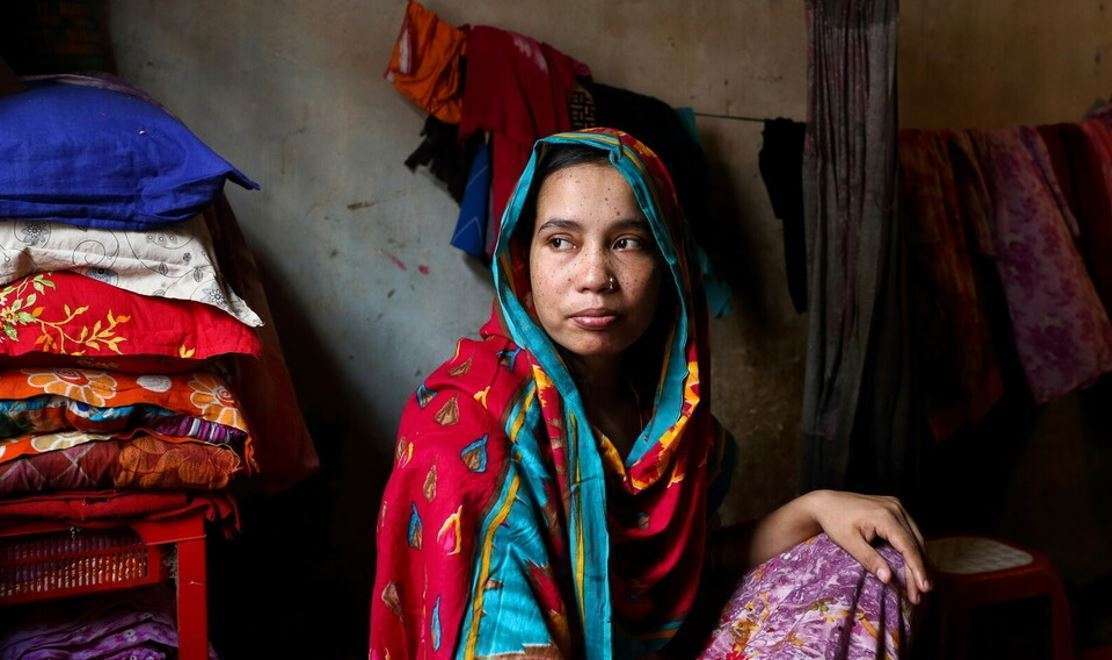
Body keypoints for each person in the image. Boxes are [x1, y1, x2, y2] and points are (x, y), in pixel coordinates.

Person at [370, 128, 928, 659]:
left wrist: (816, 507)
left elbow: (690, 572)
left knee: (864, 563)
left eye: (628, 242)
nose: (595, 275)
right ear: (523, 260)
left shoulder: (664, 418)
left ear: (668, 264)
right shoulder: (466, 422)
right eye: (561, 241)